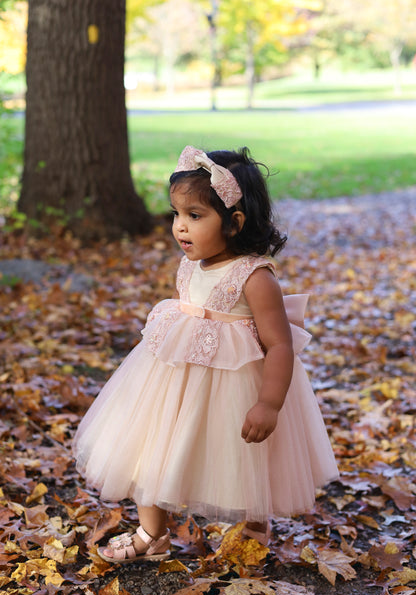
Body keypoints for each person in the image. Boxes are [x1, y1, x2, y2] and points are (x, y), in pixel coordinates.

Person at [73, 145, 339, 563]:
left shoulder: (255, 276)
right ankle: (151, 534)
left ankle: (252, 533)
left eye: (195, 216)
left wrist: (269, 403)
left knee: (243, 461)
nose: (180, 228)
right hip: (170, 383)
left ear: (234, 222)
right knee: (148, 449)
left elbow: (280, 344)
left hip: (233, 390)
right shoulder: (190, 264)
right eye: (177, 214)